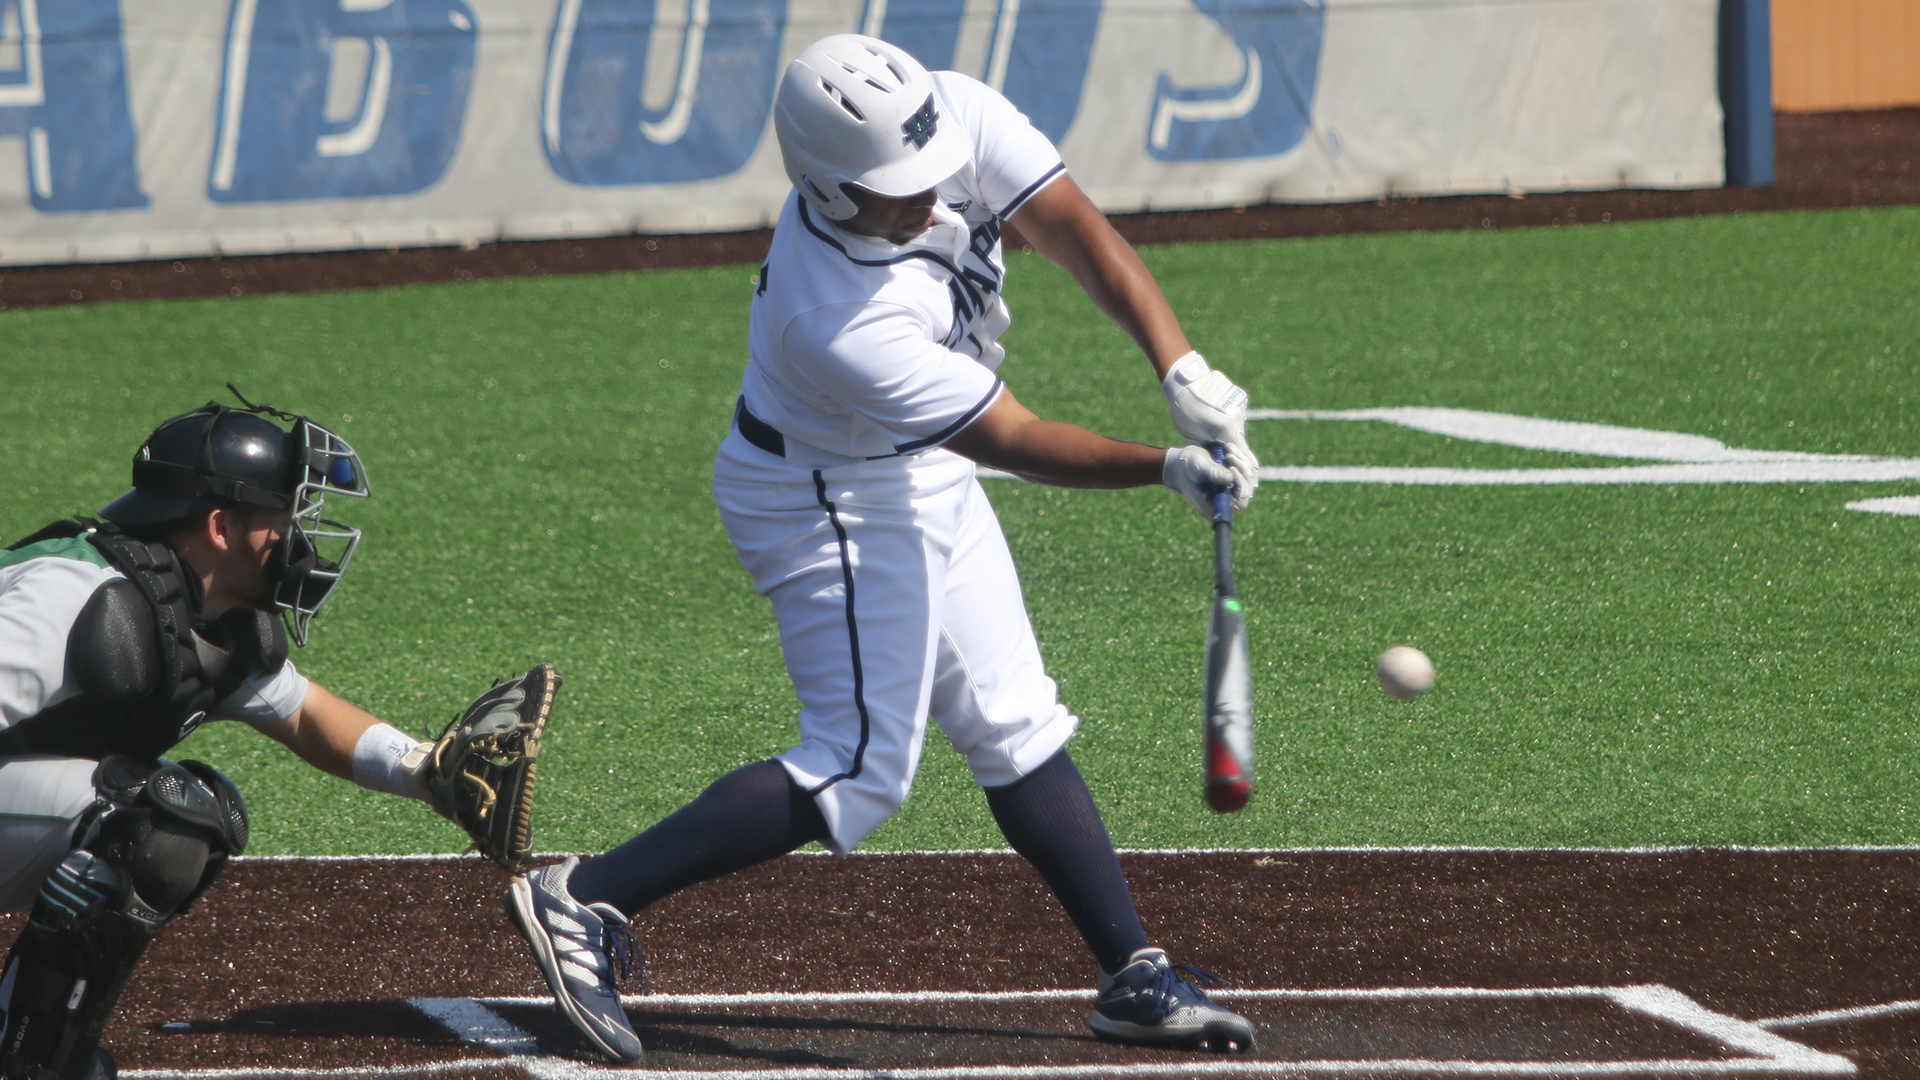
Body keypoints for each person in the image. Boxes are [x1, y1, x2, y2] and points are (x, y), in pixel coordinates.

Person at [505, 34, 1262, 1062]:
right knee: (860, 764)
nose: (927, 196)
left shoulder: (946, 114)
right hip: (822, 492)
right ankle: (582, 896)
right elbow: (1017, 438)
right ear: (822, 184)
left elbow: (1077, 231)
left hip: (907, 462)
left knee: (1013, 718)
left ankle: (1131, 976)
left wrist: (1183, 368)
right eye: (892, 189)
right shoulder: (838, 316)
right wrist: (1164, 467)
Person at [0, 396, 472, 1080]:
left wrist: (429, 770)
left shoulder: (202, 622)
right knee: (152, 818)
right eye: (285, 519)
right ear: (222, 525)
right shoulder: (71, 600)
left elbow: (306, 714)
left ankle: (31, 1047)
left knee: (191, 815)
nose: (301, 541)